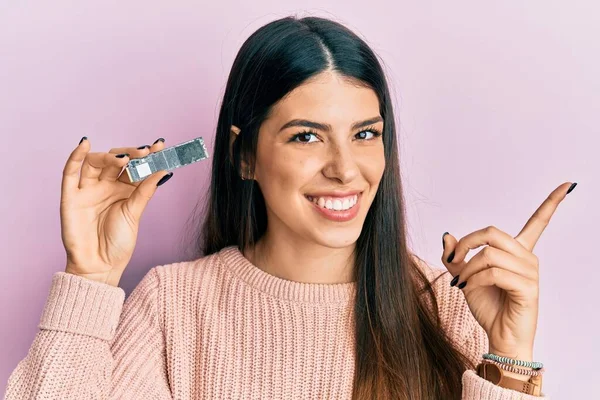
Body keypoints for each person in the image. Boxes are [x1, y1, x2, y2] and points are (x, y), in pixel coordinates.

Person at [5, 15, 571, 399]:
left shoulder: (444, 306)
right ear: (244, 156)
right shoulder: (172, 307)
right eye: (306, 136)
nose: (346, 169)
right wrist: (91, 279)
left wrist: (510, 356)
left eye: (366, 134)